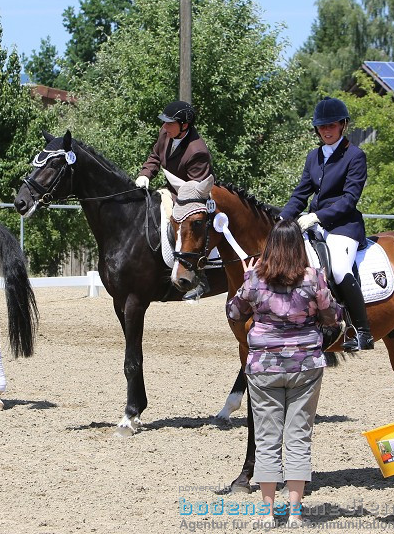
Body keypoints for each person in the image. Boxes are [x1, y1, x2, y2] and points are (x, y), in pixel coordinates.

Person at [227, 218, 343, 528]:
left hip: (263, 366)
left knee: (266, 439)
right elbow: (332, 316)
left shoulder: (256, 278)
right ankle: (294, 513)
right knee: (298, 438)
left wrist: (246, 280)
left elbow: (234, 313)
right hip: (306, 365)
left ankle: (267, 513)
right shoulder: (313, 278)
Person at [278, 96, 373, 352]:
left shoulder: (355, 156)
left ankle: (362, 331)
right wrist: (282, 220)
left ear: (342, 125)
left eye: (331, 126)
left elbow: (350, 199)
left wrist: (318, 217)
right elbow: (301, 194)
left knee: (340, 270)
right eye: (322, 127)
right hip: (314, 226)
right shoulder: (313, 156)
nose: (326, 131)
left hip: (343, 226)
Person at [135, 100, 214, 301]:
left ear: (184, 125)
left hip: (193, 198)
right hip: (171, 190)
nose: (164, 127)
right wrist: (145, 174)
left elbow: (194, 190)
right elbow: (155, 156)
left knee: (185, 226)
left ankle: (201, 278)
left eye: (169, 123)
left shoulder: (198, 151)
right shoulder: (166, 133)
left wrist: (172, 198)